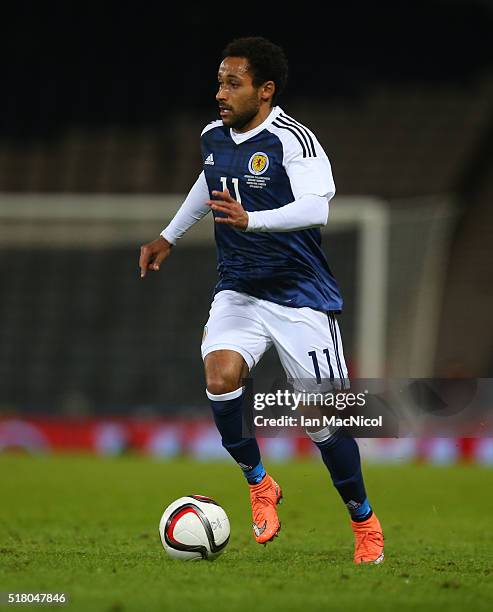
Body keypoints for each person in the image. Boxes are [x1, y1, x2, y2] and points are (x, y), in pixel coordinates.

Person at [139, 36, 384, 564]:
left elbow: (316, 208)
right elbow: (208, 186)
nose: (220, 92)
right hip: (240, 289)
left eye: (233, 83)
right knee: (220, 375)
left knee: (323, 418)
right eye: (219, 81)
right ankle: (259, 483)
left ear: (265, 90)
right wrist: (168, 236)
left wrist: (255, 220)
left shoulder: (291, 140)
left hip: (300, 298)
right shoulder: (213, 135)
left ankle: (364, 521)